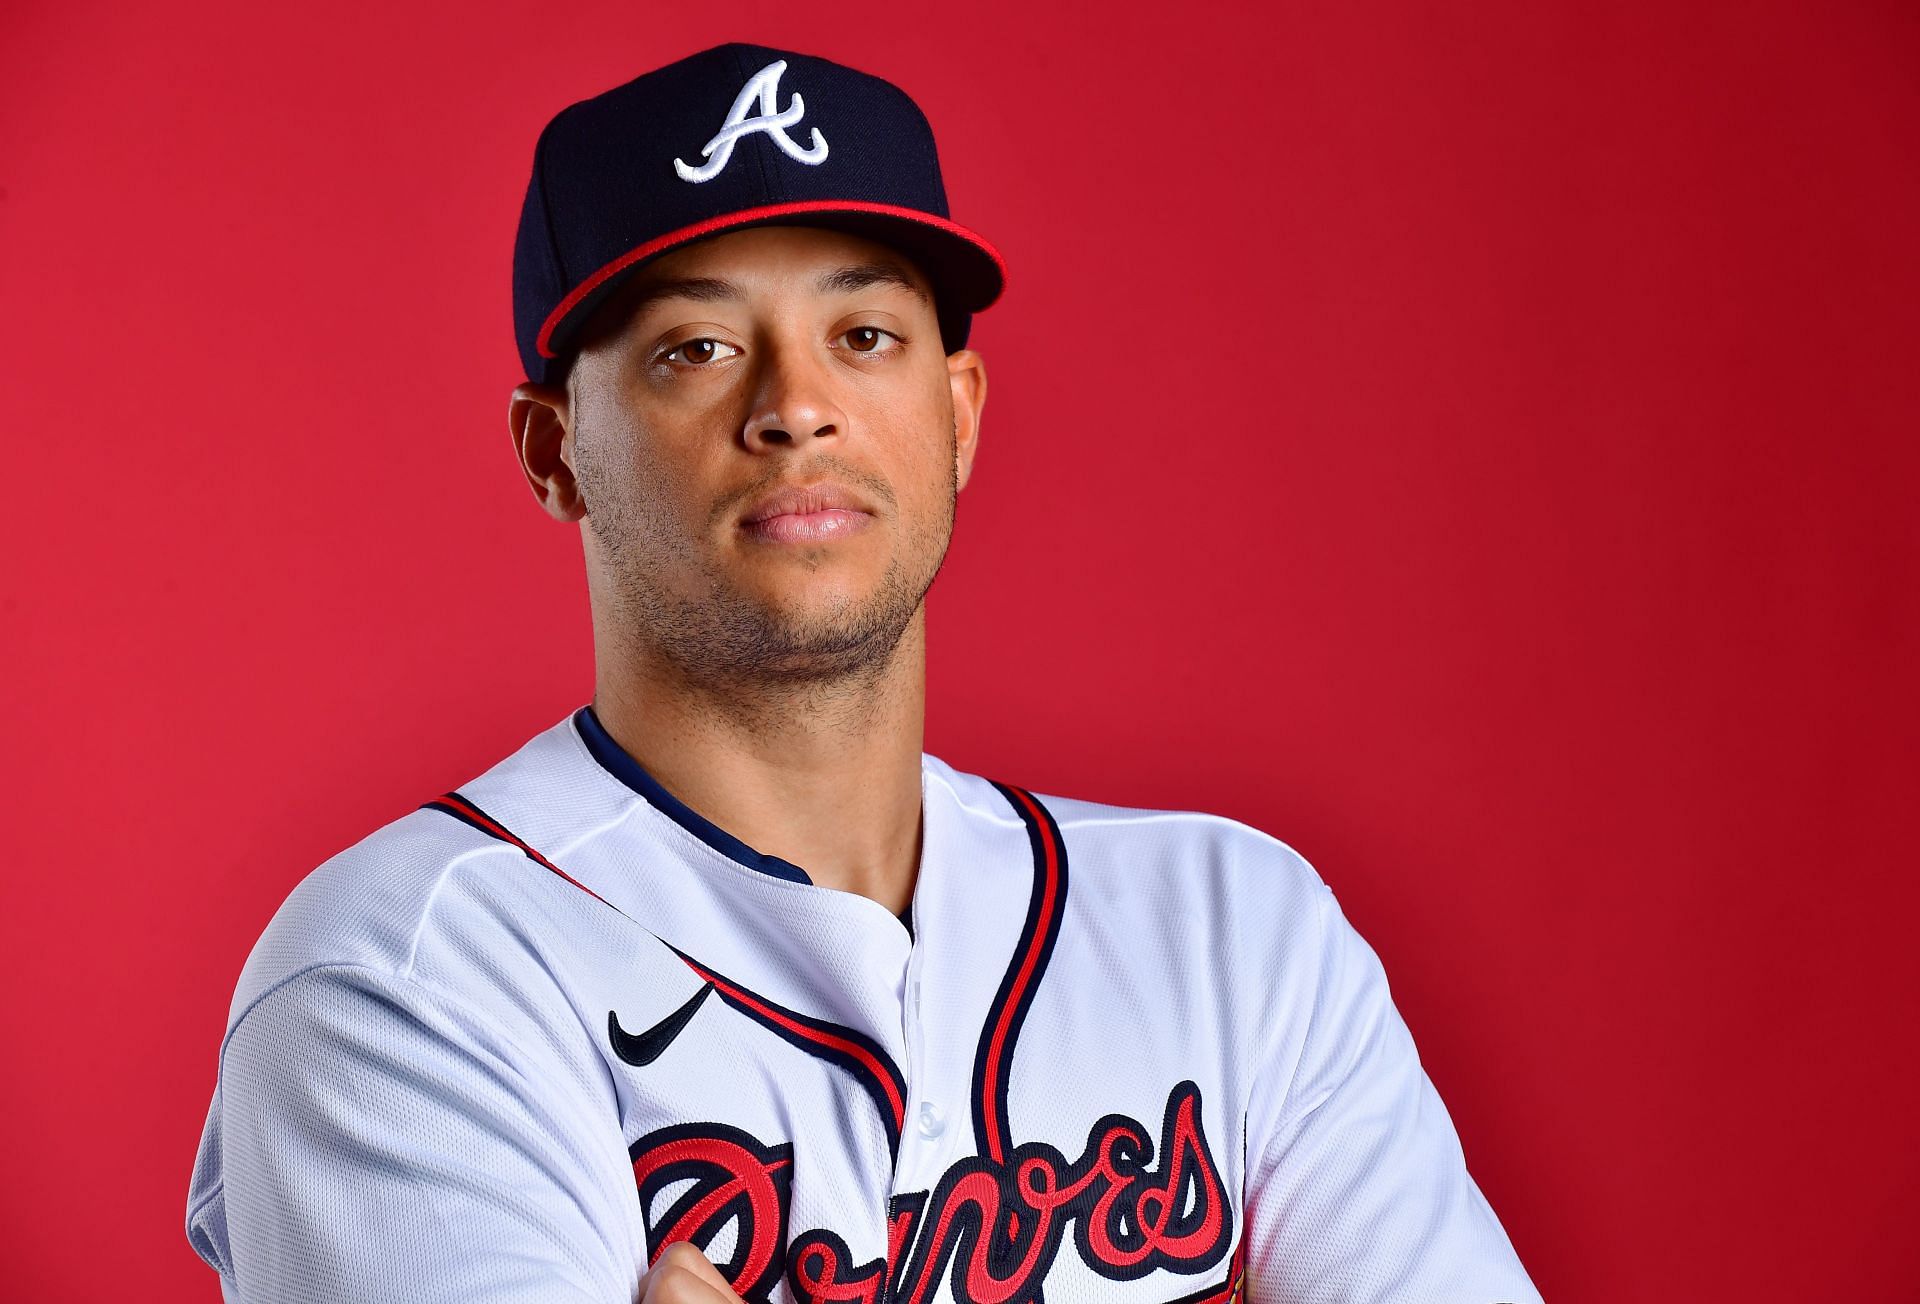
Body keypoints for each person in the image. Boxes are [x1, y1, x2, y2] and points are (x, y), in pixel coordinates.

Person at [185, 42, 1542, 1304]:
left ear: (956, 418)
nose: (795, 405)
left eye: (866, 336)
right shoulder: (402, 979)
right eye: (697, 349)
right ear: (555, 452)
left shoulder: (1238, 932)